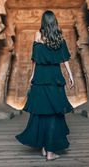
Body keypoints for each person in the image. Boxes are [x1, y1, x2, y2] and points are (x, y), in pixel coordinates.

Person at [15, 10, 75, 161]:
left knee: (42, 112)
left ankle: (45, 148)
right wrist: (70, 75)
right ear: (54, 21)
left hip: (41, 78)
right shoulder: (59, 37)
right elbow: (64, 58)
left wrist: (33, 75)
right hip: (54, 78)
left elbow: (35, 58)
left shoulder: (37, 35)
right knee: (54, 113)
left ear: (43, 21)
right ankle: (49, 151)